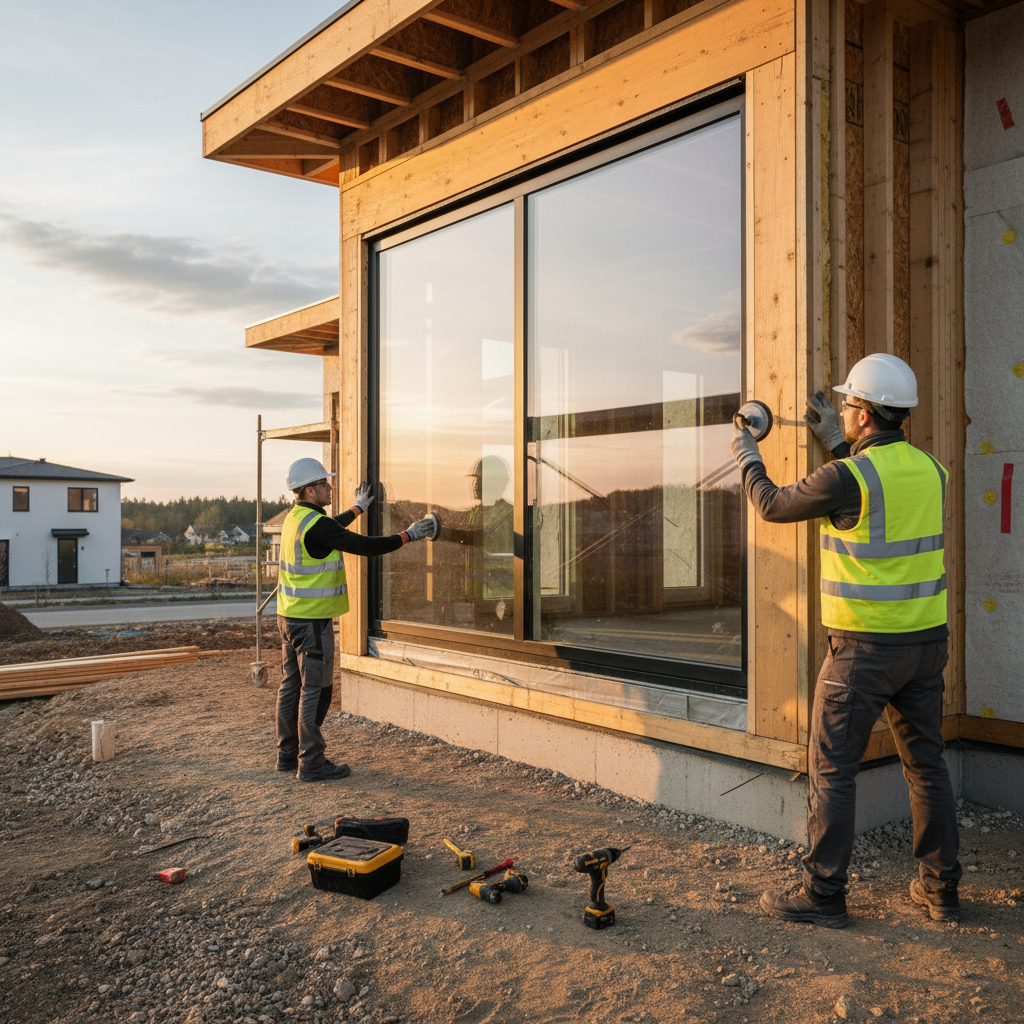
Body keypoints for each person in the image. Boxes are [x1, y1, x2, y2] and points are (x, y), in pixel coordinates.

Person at [730, 353, 961, 927]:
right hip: (926, 645)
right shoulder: (931, 469)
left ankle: (824, 896)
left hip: (863, 651)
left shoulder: (847, 477)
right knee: (926, 765)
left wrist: (746, 453)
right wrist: (836, 442)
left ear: (863, 413)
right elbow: (873, 503)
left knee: (832, 768)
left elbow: (773, 504)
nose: (844, 412)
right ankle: (941, 892)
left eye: (848, 405)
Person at [276, 457, 437, 782]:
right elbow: (363, 545)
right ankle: (311, 762)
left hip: (288, 617)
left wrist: (358, 508)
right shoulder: (316, 524)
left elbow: (332, 528)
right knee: (315, 689)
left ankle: (287, 756)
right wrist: (409, 535)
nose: (330, 486)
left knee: (291, 685)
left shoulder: (296, 517)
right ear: (311, 489)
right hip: (312, 622)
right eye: (324, 484)